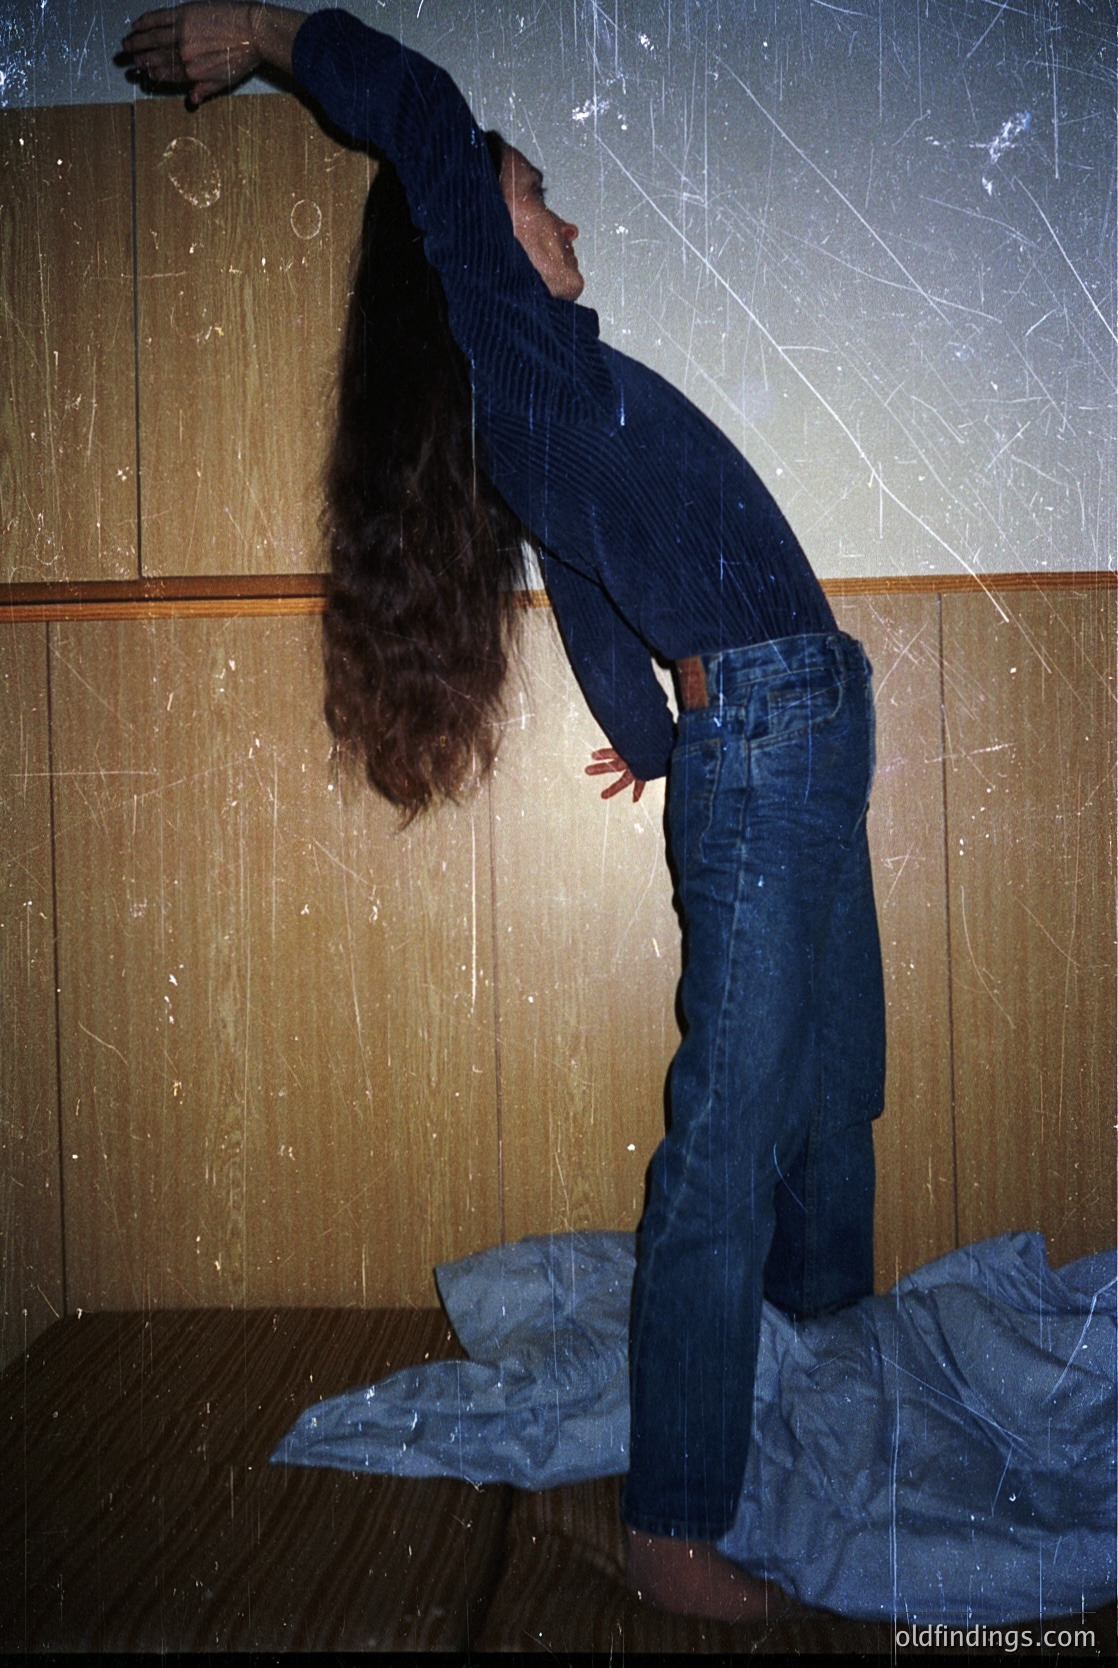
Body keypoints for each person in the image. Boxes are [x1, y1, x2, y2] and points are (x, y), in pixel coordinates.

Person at [123, 3, 886, 1623]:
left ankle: (815, 1371)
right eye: (538, 200)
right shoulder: (513, 343)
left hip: (794, 736)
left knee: (833, 1091)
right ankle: (673, 1521)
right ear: (468, 239)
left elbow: (598, 578)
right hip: (772, 739)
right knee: (731, 1139)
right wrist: (267, 33)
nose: (569, 224)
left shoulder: (557, 398)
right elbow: (422, 105)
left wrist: (655, 737)